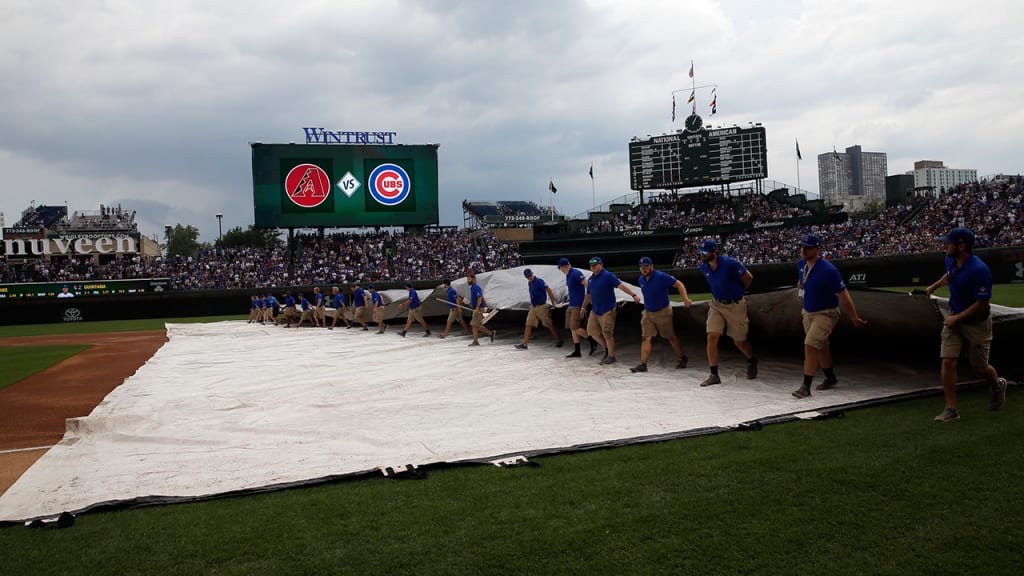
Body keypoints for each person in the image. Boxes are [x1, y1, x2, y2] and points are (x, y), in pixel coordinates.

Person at [925, 227, 1009, 421]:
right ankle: (951, 409)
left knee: (979, 367)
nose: (944, 245)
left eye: (948, 242)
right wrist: (935, 285)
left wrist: (957, 317)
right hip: (955, 317)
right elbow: (950, 274)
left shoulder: (979, 270)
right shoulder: (950, 259)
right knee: (948, 360)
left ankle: (997, 385)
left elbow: (982, 303)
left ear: (961, 246)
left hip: (976, 323)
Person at [792, 234, 868, 398]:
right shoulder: (801, 265)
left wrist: (854, 317)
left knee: (811, 345)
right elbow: (802, 283)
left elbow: (845, 296)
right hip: (808, 312)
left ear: (817, 249)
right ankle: (830, 377)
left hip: (826, 313)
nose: (804, 250)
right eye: (802, 246)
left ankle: (806, 386)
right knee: (821, 345)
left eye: (808, 247)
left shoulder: (829, 270)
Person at [696, 239, 758, 386]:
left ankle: (751, 359)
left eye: (705, 252)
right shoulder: (704, 267)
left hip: (735, 305)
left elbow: (748, 278)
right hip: (717, 304)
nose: (702, 255)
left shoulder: (730, 263)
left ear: (714, 252)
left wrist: (738, 292)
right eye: (700, 252)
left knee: (739, 341)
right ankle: (714, 374)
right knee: (712, 335)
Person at [630, 256, 691, 373]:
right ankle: (643, 364)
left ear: (651, 266)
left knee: (670, 337)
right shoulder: (641, 279)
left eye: (646, 266)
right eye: (641, 267)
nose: (643, 269)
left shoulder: (661, 276)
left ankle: (682, 357)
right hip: (648, 312)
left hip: (662, 312)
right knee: (646, 338)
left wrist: (685, 299)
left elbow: (679, 284)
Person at [581, 256, 641, 365]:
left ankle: (611, 356)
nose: (593, 267)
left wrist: (633, 294)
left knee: (607, 333)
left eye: (595, 265)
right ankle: (607, 348)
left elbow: (621, 286)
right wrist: (583, 307)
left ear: (601, 265)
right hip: (595, 310)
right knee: (591, 332)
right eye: (591, 265)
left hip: (607, 310)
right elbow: (588, 295)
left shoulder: (608, 276)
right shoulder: (590, 279)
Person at [514, 269, 564, 350]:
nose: (529, 277)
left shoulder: (539, 281)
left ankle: (558, 339)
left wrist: (553, 302)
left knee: (549, 324)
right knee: (528, 324)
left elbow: (549, 290)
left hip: (542, 306)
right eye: (528, 276)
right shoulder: (529, 283)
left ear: (532, 274)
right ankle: (525, 344)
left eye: (530, 275)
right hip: (533, 307)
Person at [558, 258, 595, 358]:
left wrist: (588, 299)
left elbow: (587, 284)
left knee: (575, 327)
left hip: (578, 304)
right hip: (571, 304)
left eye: (561, 268)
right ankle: (577, 351)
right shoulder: (569, 275)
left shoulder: (575, 273)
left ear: (564, 266)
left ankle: (592, 340)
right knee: (571, 328)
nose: (561, 270)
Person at [466, 271, 496, 346]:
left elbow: (479, 298)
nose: (468, 281)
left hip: (479, 309)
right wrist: (487, 306)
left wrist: (476, 308)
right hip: (477, 308)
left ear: (474, 279)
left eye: (469, 279)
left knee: (474, 325)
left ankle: (479, 339)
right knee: (475, 325)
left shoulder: (476, 287)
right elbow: (482, 297)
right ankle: (488, 334)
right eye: (467, 279)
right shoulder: (473, 287)